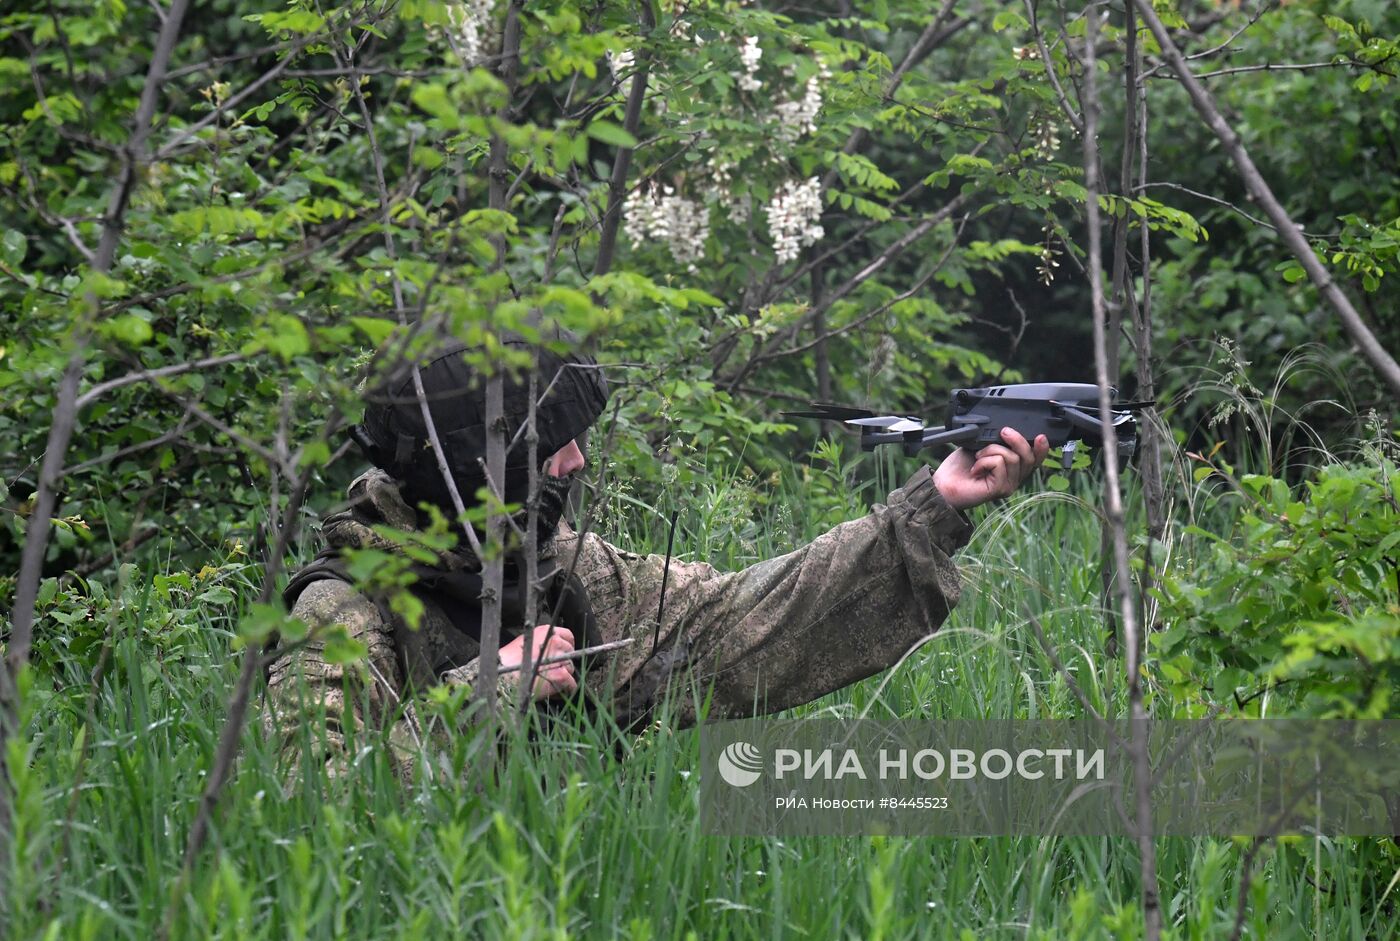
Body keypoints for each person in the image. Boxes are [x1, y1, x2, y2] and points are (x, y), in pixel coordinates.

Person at [264, 335, 1049, 779]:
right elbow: (306, 814)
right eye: (552, 442)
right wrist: (490, 691)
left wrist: (933, 506)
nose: (573, 462)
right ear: (477, 462)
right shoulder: (341, 615)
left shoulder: (567, 573)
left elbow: (750, 620)